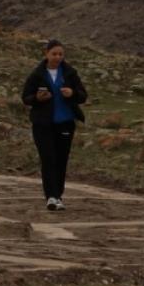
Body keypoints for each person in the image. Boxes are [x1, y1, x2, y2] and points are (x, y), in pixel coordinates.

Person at [21, 39, 88, 211]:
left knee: (61, 160)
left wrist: (72, 93)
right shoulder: (37, 74)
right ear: (46, 54)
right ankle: (51, 196)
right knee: (48, 158)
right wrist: (37, 98)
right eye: (54, 54)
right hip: (43, 124)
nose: (57, 57)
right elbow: (26, 97)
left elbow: (82, 95)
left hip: (65, 123)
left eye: (60, 54)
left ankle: (58, 195)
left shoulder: (70, 73)